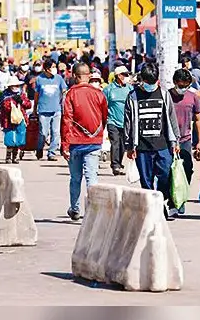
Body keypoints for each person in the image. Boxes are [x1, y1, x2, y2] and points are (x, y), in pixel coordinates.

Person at [124, 63, 181, 219]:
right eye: (148, 82)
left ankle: (162, 202)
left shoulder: (164, 94)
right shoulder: (133, 96)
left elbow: (172, 118)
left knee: (165, 175)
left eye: (153, 82)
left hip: (163, 145)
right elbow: (128, 122)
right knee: (146, 180)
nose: (151, 85)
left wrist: (175, 141)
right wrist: (129, 146)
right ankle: (152, 210)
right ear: (142, 80)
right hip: (142, 147)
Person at [60, 63, 109, 221]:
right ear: (89, 76)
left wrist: (64, 145)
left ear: (75, 76)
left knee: (75, 178)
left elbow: (67, 120)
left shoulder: (70, 94)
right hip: (94, 141)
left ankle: (75, 208)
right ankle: (93, 210)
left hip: (75, 142)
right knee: (92, 178)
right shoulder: (99, 94)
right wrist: (98, 134)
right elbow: (104, 117)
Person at [170, 68, 200, 188]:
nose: (183, 89)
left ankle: (183, 192)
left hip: (185, 140)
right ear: (174, 82)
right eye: (181, 86)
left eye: (186, 86)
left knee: (187, 169)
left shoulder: (193, 97)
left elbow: (198, 120)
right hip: (168, 140)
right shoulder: (167, 96)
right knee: (168, 170)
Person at [34, 59, 68, 161]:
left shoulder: (59, 78)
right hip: (43, 110)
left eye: (55, 67)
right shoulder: (39, 79)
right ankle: (39, 148)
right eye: (52, 67)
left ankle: (51, 153)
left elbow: (64, 90)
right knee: (43, 133)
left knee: (56, 132)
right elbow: (36, 95)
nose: (54, 69)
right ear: (47, 69)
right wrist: (34, 108)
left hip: (56, 110)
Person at [103, 65, 133, 175]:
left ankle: (119, 163)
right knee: (115, 143)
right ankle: (115, 165)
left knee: (123, 145)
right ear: (119, 76)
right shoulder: (109, 89)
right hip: (112, 121)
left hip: (125, 122)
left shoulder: (130, 89)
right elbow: (103, 105)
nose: (127, 77)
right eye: (125, 75)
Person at [0, 76, 32, 164]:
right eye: (14, 85)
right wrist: (11, 101)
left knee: (19, 138)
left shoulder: (21, 95)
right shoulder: (4, 95)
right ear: (10, 86)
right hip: (8, 120)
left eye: (17, 85)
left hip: (20, 120)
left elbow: (29, 105)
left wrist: (22, 101)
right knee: (10, 138)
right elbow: (5, 108)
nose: (16, 87)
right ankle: (8, 157)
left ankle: (15, 157)